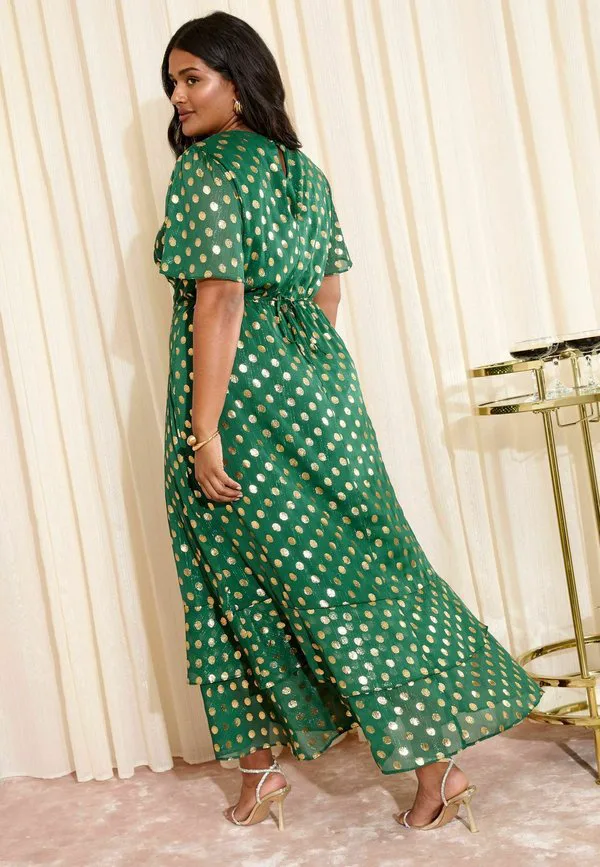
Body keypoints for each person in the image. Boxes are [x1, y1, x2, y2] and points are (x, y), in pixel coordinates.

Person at [154, 11, 544, 832]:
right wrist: (303, 376)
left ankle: (262, 777)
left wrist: (206, 428)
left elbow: (219, 298)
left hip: (240, 404)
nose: (178, 96)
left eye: (193, 78)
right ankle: (436, 770)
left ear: (239, 82)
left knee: (232, 576)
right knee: (364, 576)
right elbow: (329, 291)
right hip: (325, 395)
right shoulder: (302, 172)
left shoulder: (206, 171)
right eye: (174, 82)